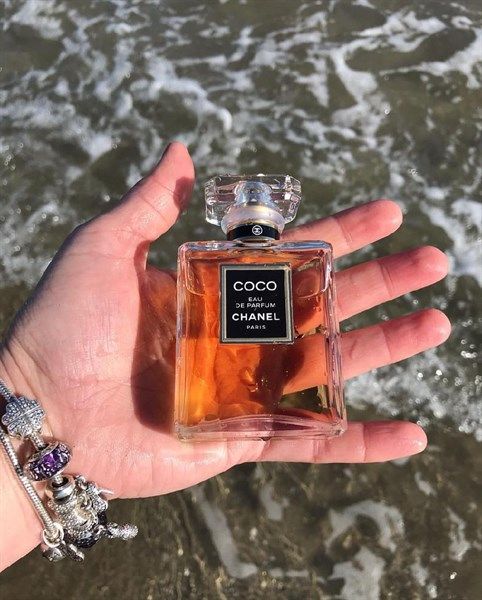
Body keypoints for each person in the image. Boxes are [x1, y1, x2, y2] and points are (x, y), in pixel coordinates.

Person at [0, 142, 450, 570]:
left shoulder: (305, 258)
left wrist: (32, 408)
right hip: (176, 419)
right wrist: (39, 391)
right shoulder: (202, 259)